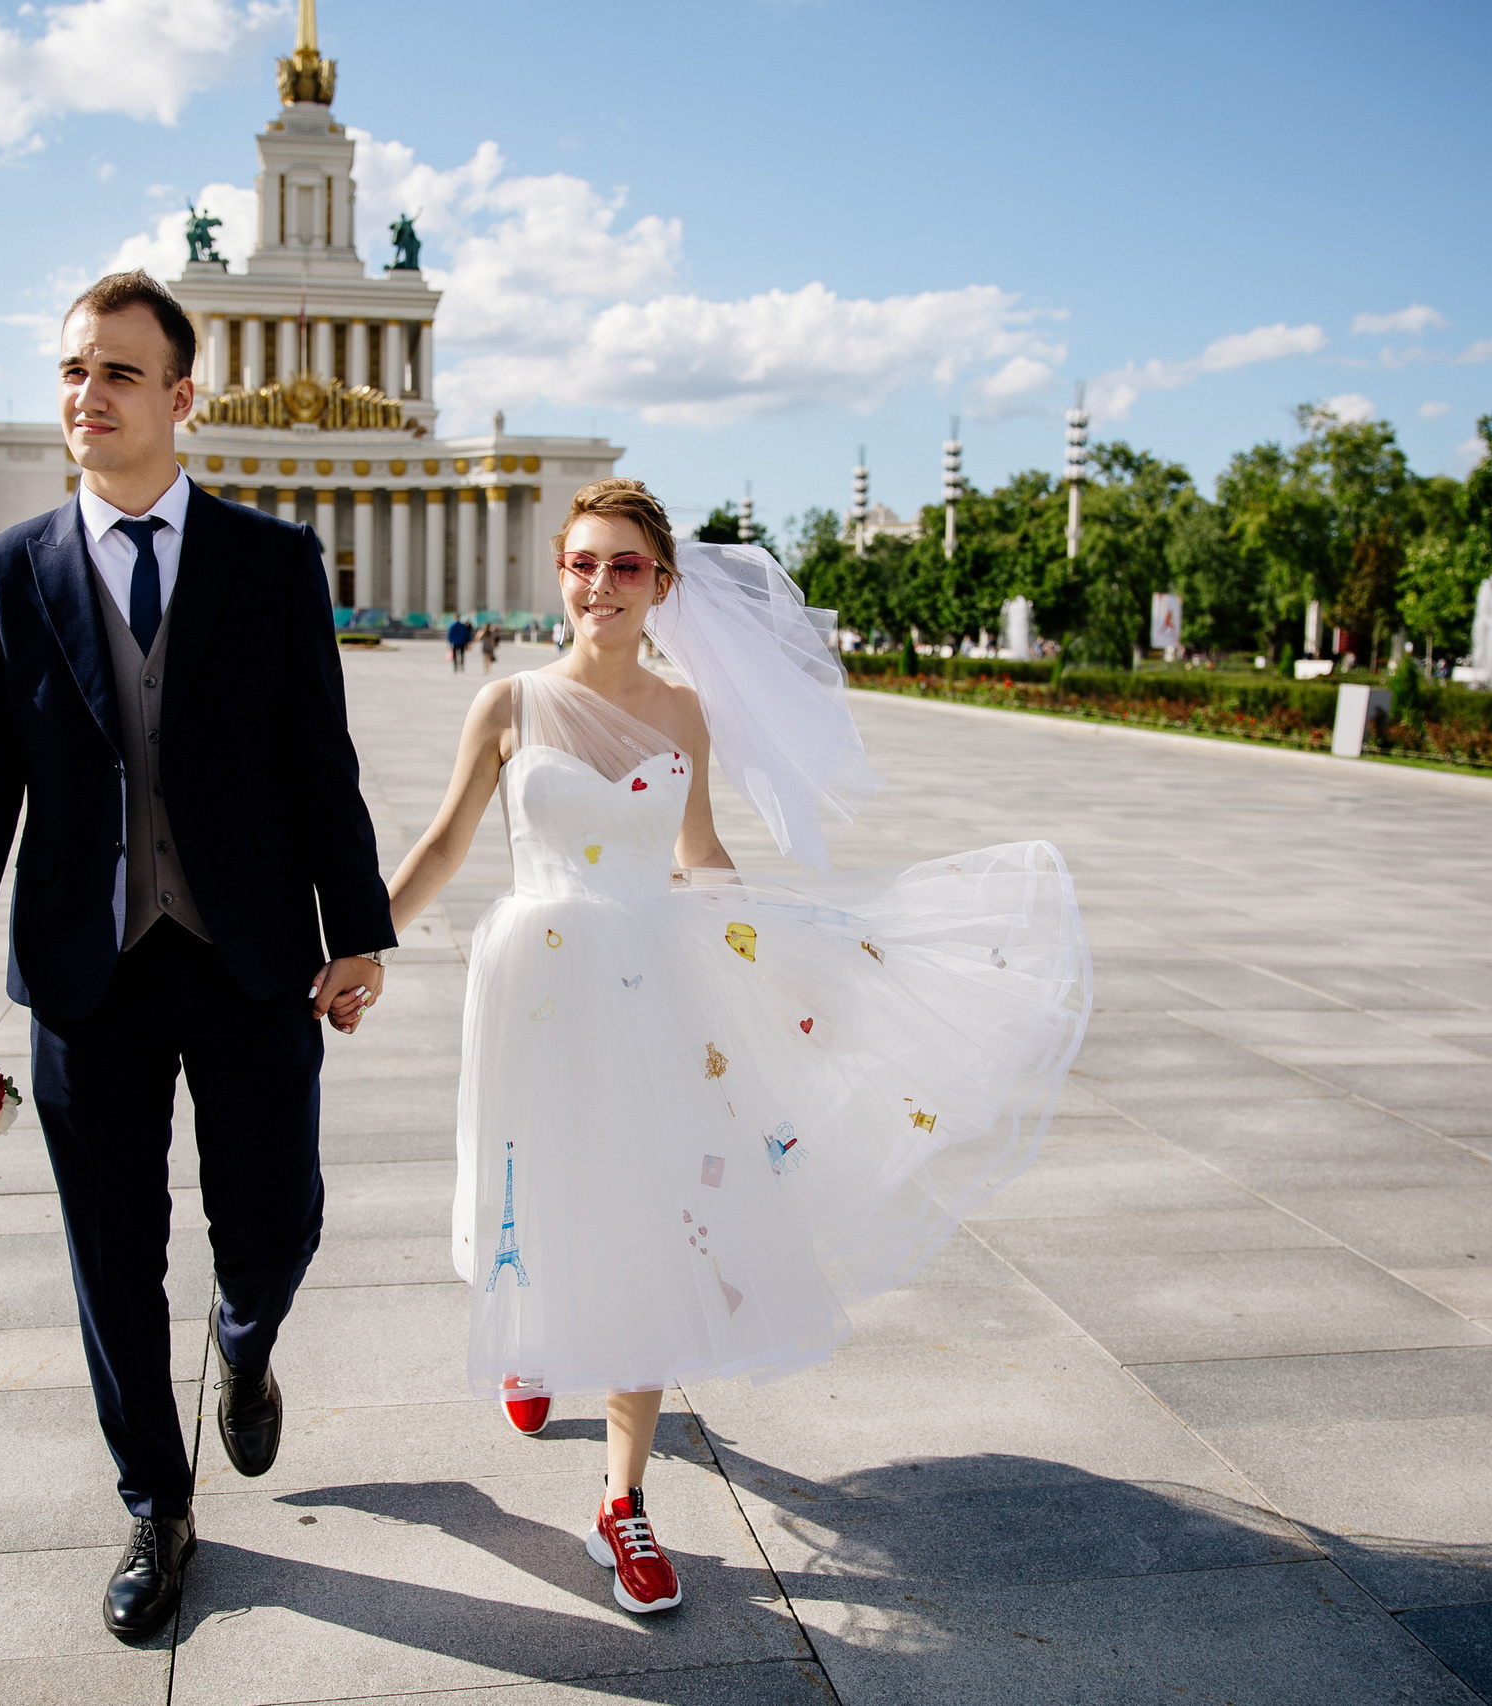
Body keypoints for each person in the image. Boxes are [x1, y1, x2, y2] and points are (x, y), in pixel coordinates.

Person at [336, 478, 1090, 1617]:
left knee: (651, 1220)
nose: (600, 585)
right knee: (536, 1188)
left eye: (624, 566)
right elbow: (443, 844)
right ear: (560, 574)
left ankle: (620, 1501)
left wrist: (795, 956)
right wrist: (362, 947)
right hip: (535, 982)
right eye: (582, 563)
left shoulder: (685, 712)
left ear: (662, 583)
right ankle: (534, 1345)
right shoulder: (506, 702)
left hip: (653, 988)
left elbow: (700, 852)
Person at [0, 270, 395, 1643]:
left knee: (277, 1216)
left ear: (181, 398)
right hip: (85, 969)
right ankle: (153, 1506)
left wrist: (356, 928)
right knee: (112, 1252)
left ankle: (245, 1343)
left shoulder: (273, 562)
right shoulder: (7, 575)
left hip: (247, 958)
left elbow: (318, 762)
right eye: (72, 369)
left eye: (119, 372)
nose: (88, 394)